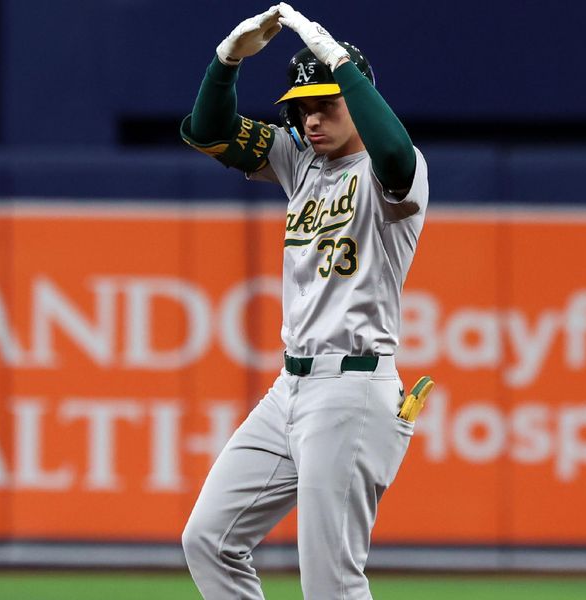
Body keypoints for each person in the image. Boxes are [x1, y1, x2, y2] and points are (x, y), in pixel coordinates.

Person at [179, 4, 432, 598]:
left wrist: (342, 66)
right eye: (302, 108)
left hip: (353, 389)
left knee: (330, 583)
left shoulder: (393, 170)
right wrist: (227, 60)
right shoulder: (301, 163)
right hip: (289, 389)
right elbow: (207, 128)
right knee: (209, 541)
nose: (311, 119)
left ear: (356, 96)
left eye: (326, 103)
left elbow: (394, 152)